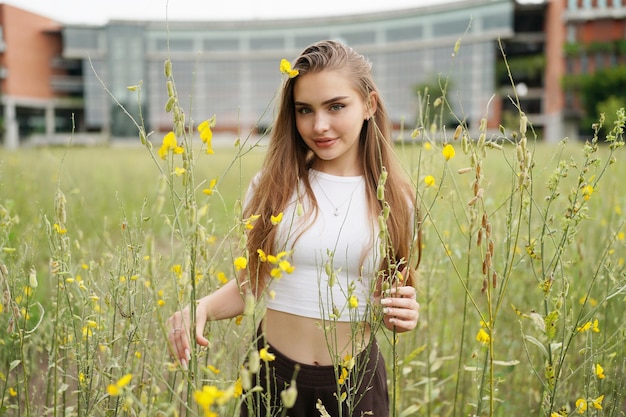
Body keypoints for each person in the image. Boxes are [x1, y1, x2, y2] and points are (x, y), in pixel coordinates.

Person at [167, 39, 421, 416]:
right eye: (305, 110)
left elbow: (395, 297)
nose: (319, 125)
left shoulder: (397, 199)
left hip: (356, 386)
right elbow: (255, 281)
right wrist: (200, 306)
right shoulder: (274, 186)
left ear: (369, 104)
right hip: (271, 378)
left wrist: (404, 315)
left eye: (336, 106)